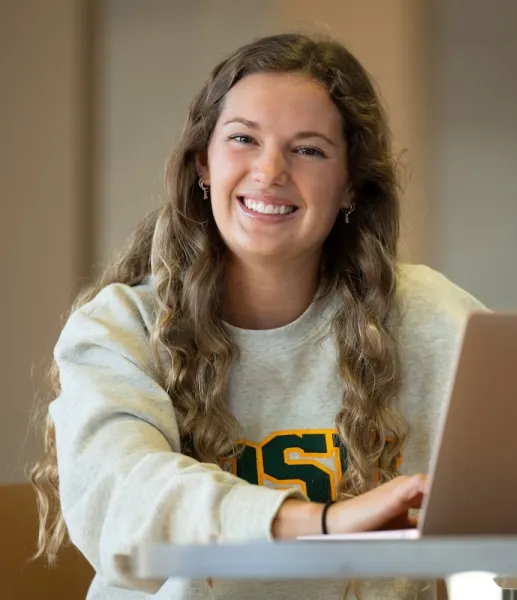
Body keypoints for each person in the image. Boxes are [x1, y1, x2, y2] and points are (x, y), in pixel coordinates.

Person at [29, 32, 485, 600]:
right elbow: (120, 508)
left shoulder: (433, 319)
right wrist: (321, 524)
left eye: (309, 149)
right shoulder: (121, 328)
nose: (270, 171)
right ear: (205, 165)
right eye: (244, 139)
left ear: (349, 188)